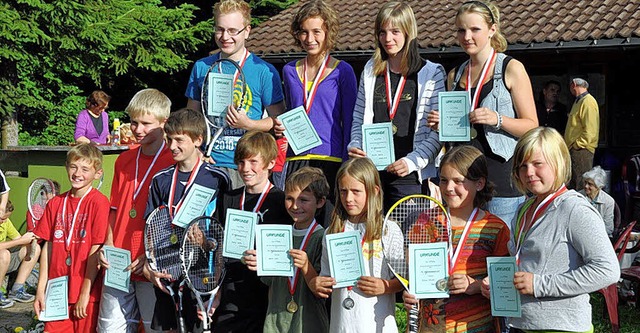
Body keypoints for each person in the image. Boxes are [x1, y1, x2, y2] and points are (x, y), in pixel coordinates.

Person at [481, 127, 619, 332]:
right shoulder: (523, 209)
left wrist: (539, 285)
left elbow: (608, 271)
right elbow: (524, 262)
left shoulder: (575, 209)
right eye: (522, 165)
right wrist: (498, 279)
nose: (529, 172)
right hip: (522, 324)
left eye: (538, 164)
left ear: (558, 162)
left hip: (562, 327)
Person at [427, 0, 538, 226]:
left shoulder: (511, 68)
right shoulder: (454, 75)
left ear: (492, 30)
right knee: (466, 253)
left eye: (475, 29)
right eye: (461, 30)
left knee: (500, 254)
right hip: (462, 183)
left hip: (500, 182)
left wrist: (497, 119)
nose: (467, 36)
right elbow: (456, 133)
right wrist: (443, 124)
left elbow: (532, 126)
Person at [348, 2, 445, 212]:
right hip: (372, 174)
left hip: (410, 176)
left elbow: (439, 132)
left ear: (409, 32)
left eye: (395, 31)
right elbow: (358, 118)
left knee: (408, 241)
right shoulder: (370, 70)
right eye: (382, 32)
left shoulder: (432, 72)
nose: (387, 39)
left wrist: (411, 162)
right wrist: (355, 144)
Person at [402, 145, 510, 332]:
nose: (449, 188)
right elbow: (413, 277)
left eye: (458, 181)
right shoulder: (424, 222)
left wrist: (475, 285)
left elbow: (504, 286)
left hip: (477, 326)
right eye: (443, 180)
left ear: (480, 183)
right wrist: (410, 294)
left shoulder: (495, 228)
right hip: (431, 326)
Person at [144, 108, 230, 332]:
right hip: (168, 271)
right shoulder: (160, 180)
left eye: (179, 140)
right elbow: (151, 230)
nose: (172, 146)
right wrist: (150, 266)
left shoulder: (217, 178)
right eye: (169, 139)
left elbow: (223, 232)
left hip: (203, 273)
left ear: (198, 140)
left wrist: (206, 243)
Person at [184, 0, 286, 188]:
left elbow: (279, 119)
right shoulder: (201, 67)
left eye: (233, 31)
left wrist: (249, 124)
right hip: (208, 163)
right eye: (220, 29)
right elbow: (191, 118)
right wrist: (196, 151)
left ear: (247, 31)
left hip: (246, 168)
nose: (225, 37)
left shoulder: (263, 71)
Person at [97, 88, 175, 333]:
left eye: (146, 124)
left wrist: (149, 254)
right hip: (118, 259)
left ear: (164, 123)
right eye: (134, 122)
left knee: (154, 327)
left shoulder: (173, 161)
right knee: (110, 328)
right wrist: (107, 245)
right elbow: (113, 209)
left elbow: (171, 219)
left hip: (149, 260)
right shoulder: (124, 160)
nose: (138, 130)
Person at [310, 157, 404, 332]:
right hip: (342, 324)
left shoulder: (389, 229)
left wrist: (386, 286)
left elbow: (404, 281)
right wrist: (318, 283)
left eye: (356, 191)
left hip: (378, 325)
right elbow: (326, 278)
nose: (348, 198)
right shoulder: (332, 231)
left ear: (374, 191)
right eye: (343, 191)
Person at [213, 130, 293, 332]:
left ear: (270, 163)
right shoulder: (228, 198)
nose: (245, 169)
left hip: (266, 296)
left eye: (253, 162)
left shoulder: (282, 202)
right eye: (240, 162)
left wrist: (265, 260)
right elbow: (218, 244)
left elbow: (289, 254)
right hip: (231, 292)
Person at [281, 0, 357, 202]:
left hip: (330, 159)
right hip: (296, 157)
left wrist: (345, 163)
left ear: (328, 33)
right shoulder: (289, 71)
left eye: (316, 32)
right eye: (304, 32)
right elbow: (290, 112)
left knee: (327, 222)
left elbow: (350, 120)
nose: (310, 38)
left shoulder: (343, 71)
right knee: (297, 221)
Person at [33, 143, 110, 332]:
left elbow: (96, 247)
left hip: (85, 291)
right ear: (67, 167)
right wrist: (41, 289)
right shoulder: (55, 203)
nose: (77, 173)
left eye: (85, 169)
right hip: (57, 290)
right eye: (73, 167)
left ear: (97, 173)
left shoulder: (99, 202)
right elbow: (48, 247)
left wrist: (85, 292)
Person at [244, 166, 330, 333]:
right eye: (289, 198)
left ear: (320, 202)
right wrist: (259, 263)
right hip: (275, 323)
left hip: (308, 324)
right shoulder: (277, 237)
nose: (295, 206)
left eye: (303, 200)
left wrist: (306, 266)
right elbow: (268, 281)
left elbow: (323, 289)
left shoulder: (323, 238)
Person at [0, 200, 40, 308]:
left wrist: (31, 238)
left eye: (6, 218)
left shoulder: (6, 222)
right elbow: (18, 241)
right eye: (2, 218)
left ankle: (17, 290)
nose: (4, 221)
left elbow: (19, 239)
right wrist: (19, 241)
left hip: (4, 262)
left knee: (34, 248)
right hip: (2, 258)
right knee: (4, 254)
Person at [565, 77, 600, 190]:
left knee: (581, 183)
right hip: (575, 149)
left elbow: (591, 129)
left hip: (582, 150)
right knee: (575, 181)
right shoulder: (579, 101)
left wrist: (578, 145)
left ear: (574, 84)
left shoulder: (588, 101)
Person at [579, 165, 616, 238]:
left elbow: (608, 228)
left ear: (599, 187)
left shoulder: (608, 201)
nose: (586, 186)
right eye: (585, 182)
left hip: (601, 237)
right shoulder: (578, 197)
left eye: (590, 184)